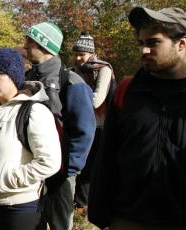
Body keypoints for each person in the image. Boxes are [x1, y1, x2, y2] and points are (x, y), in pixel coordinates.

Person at [89, 6, 186, 229]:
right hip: (129, 219)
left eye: (153, 43)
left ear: (181, 44)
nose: (144, 51)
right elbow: (107, 158)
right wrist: (101, 214)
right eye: (141, 44)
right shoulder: (127, 91)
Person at [0, 47, 61, 230]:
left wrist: (9, 179)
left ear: (14, 76)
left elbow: (50, 161)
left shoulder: (35, 111)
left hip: (21, 210)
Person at [22, 22, 96, 230]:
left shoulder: (72, 82)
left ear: (43, 45)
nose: (25, 45)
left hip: (60, 174)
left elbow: (84, 131)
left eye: (29, 41)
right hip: (30, 168)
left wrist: (67, 170)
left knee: (59, 224)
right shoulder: (28, 78)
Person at [69, 31, 115, 216]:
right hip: (75, 122)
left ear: (91, 53)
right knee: (75, 162)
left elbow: (97, 99)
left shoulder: (103, 69)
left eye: (82, 54)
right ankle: (75, 200)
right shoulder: (72, 71)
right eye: (76, 54)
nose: (78, 58)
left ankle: (82, 203)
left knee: (92, 165)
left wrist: (73, 101)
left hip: (100, 124)